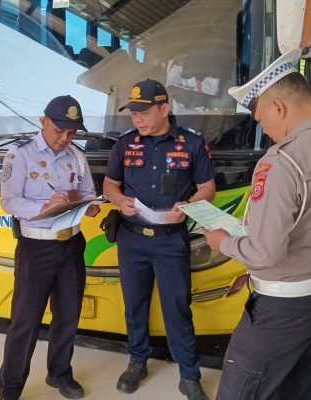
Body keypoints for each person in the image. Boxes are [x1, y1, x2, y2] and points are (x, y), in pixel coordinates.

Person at [203, 49, 311, 399]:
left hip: (282, 310)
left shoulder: (281, 160)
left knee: (239, 390)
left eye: (261, 119)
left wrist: (222, 241)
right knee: (299, 388)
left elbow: (264, 253)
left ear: (278, 107)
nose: (264, 128)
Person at [103, 79, 215, 400]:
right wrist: (118, 199)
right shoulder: (125, 144)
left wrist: (190, 205)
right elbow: (111, 184)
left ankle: (189, 374)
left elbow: (208, 187)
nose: (136, 118)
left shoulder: (191, 142)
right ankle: (137, 361)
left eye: (143, 111)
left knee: (177, 306)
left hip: (171, 240)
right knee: (135, 305)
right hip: (132, 239)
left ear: (164, 109)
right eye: (132, 112)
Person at [0, 95, 101, 400]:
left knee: (68, 315)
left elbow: (88, 194)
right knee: (25, 322)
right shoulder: (20, 155)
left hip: (71, 245)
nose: (65, 138)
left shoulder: (76, 157)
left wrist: (89, 207)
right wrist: (46, 204)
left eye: (72, 133)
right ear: (43, 122)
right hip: (35, 247)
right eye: (59, 131)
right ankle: (11, 387)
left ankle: (59, 373)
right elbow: (9, 201)